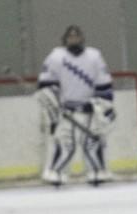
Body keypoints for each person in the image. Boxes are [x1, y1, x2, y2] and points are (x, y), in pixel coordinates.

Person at [34, 25, 116, 186]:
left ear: (82, 38)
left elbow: (104, 83)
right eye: (71, 37)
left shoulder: (94, 56)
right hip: (66, 110)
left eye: (76, 36)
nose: (74, 39)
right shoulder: (56, 57)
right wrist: (54, 104)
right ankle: (55, 173)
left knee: (93, 143)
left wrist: (102, 105)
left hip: (90, 108)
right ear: (65, 39)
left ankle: (97, 171)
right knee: (65, 144)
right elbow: (46, 84)